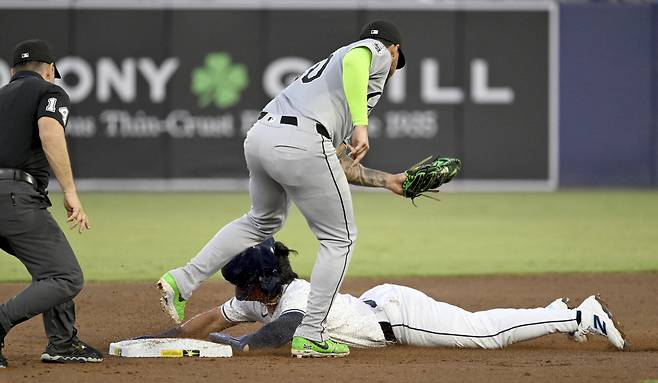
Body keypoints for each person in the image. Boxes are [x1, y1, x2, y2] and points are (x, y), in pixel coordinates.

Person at [158, 20, 410, 357]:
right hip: (303, 138)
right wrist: (362, 125)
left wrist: (388, 181)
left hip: (263, 135)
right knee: (339, 238)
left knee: (261, 221)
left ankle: (181, 281)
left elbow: (333, 163)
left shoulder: (331, 84)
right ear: (393, 49)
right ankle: (312, 333)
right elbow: (356, 59)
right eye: (398, 58)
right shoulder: (372, 53)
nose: (395, 66)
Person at [147, 240, 627, 358]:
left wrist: (233, 347)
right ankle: (555, 313)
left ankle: (576, 315)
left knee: (484, 335)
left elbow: (277, 334)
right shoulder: (264, 299)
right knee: (481, 327)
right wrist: (157, 342)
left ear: (262, 283)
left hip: (398, 318)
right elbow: (210, 318)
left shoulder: (294, 297)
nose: (239, 296)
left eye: (244, 287)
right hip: (378, 306)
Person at [0, 39, 103, 368]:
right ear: (48, 71)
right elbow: (50, 132)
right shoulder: (49, 92)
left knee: (50, 268)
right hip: (15, 196)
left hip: (8, 197)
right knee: (64, 276)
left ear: (13, 71)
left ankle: (62, 343)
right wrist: (70, 192)